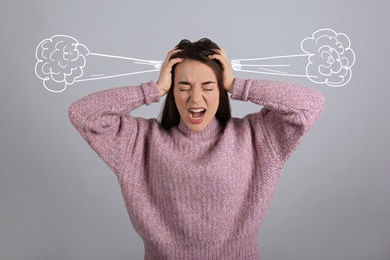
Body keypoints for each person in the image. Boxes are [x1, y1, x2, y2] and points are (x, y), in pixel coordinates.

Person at [68, 38, 325, 260]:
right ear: (172, 91)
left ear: (221, 90)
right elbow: (83, 114)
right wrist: (153, 90)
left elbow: (310, 104)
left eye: (208, 86)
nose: (196, 98)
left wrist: (238, 85)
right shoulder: (140, 141)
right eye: (184, 87)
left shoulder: (256, 136)